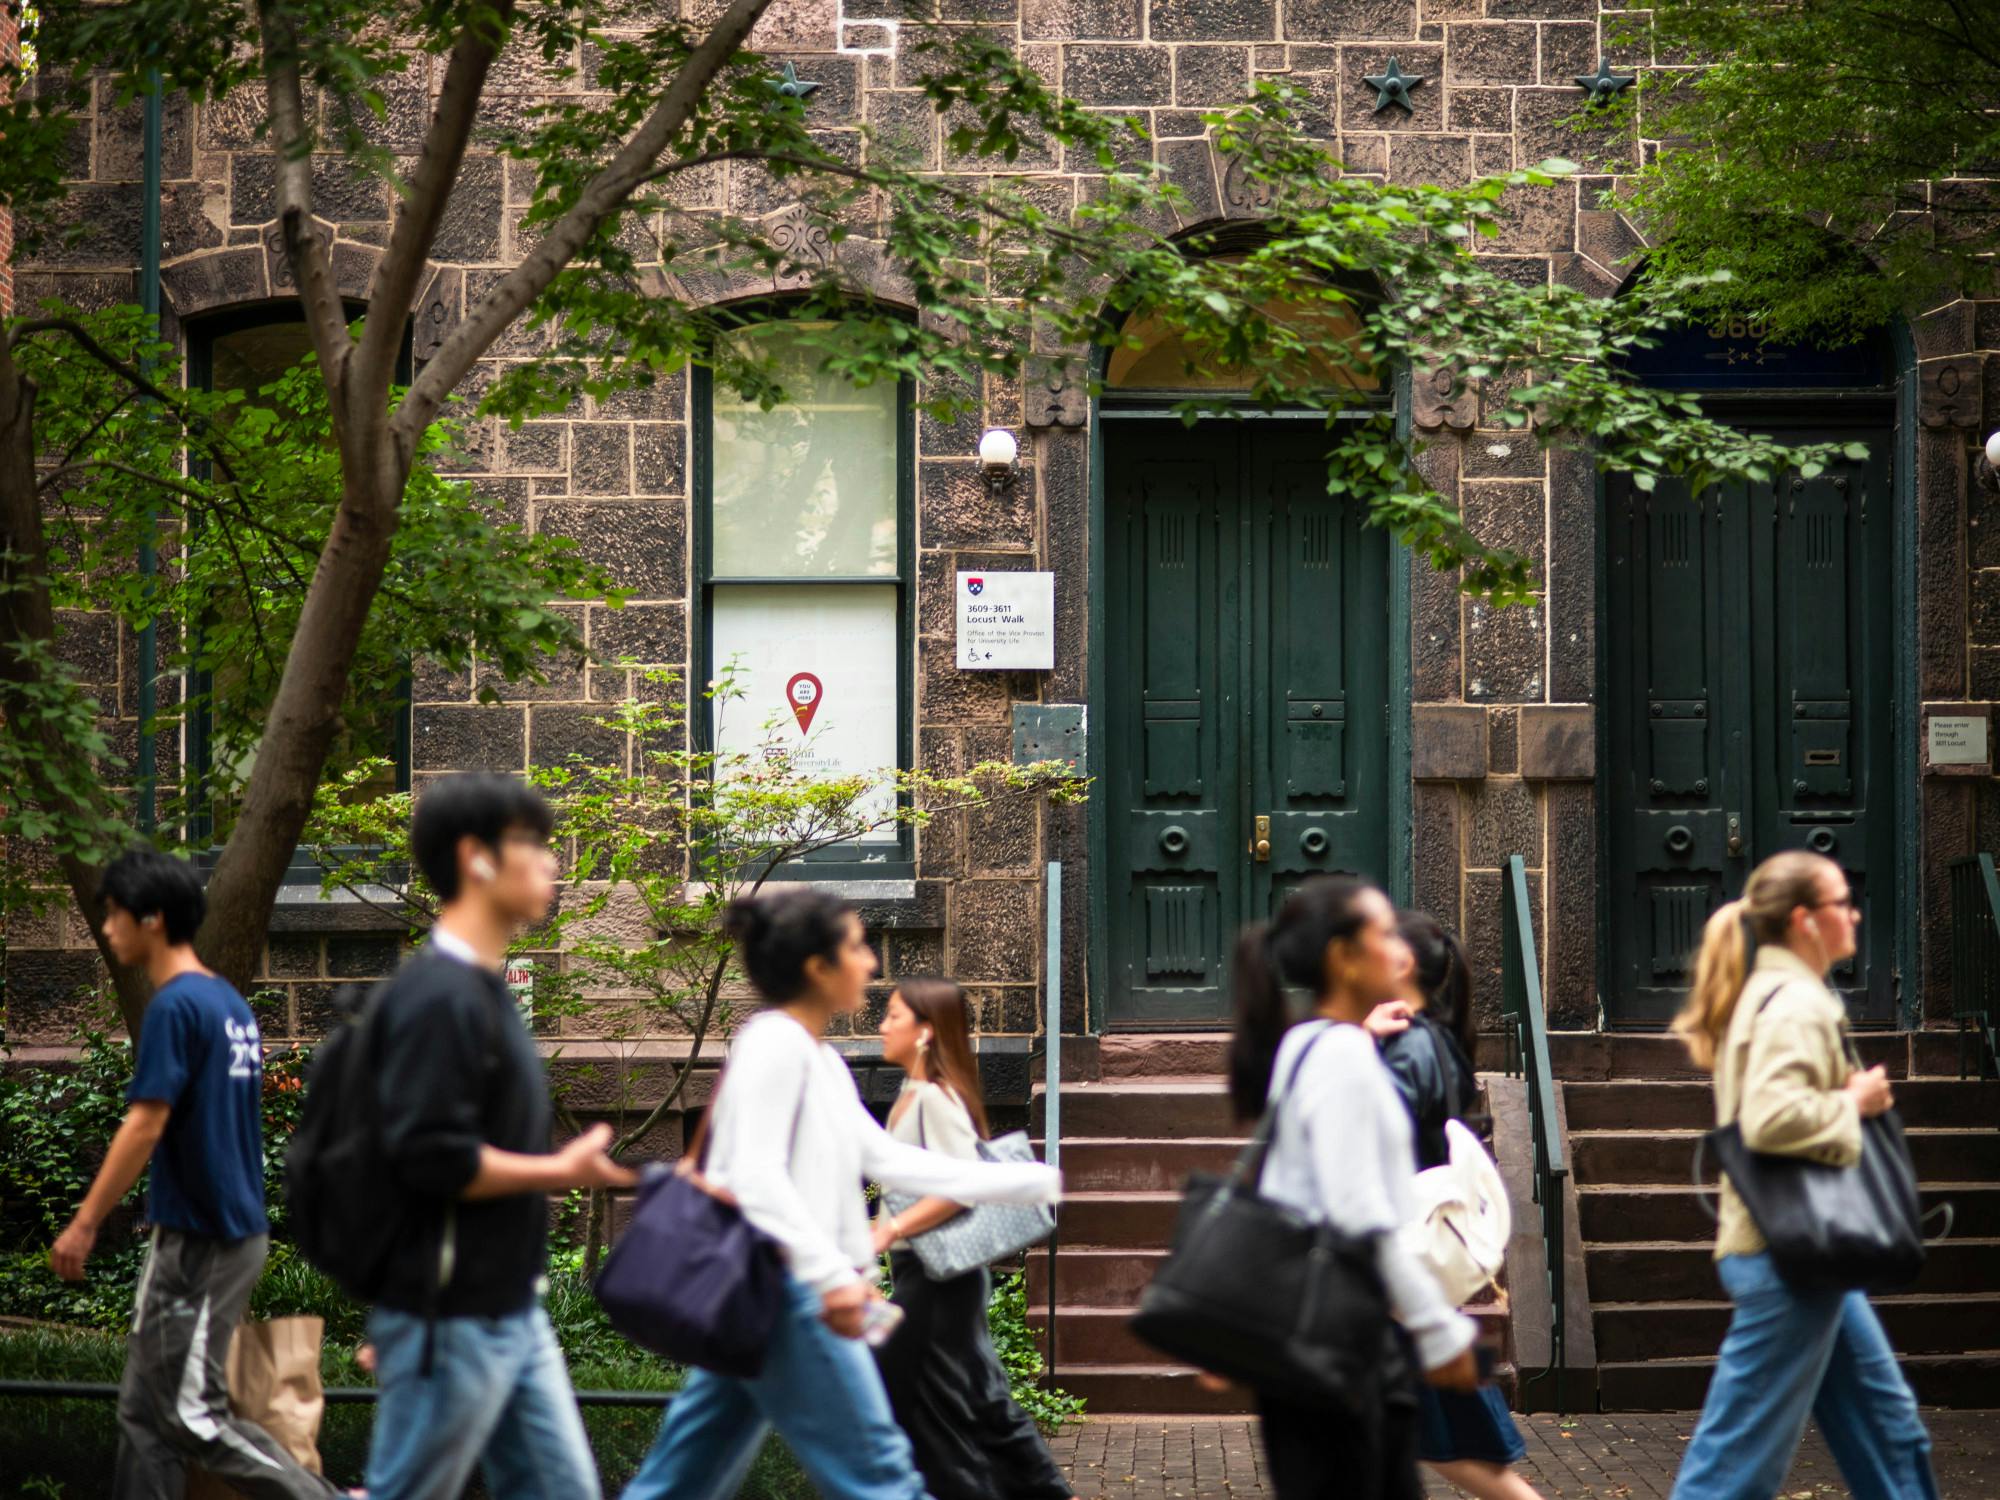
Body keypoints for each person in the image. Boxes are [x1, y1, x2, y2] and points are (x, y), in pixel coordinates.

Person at [621, 889, 1063, 1500]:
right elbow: (756, 1177)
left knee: (681, 1479)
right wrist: (834, 1275)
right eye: (855, 947)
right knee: (883, 1480)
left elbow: (883, 1159)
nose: (871, 965)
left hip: (769, 1291)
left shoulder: (818, 1059)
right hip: (794, 1294)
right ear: (817, 967)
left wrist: (1026, 1181)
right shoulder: (774, 1044)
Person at [361, 773, 635, 1500]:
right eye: (533, 845)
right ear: (477, 859)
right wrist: (559, 1170)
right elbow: (428, 1157)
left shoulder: (484, 991)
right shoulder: (438, 999)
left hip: (506, 1307)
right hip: (453, 1316)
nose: (553, 863)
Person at [49, 847, 344, 1500]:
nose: (106, 929)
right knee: (142, 1413)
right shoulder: (227, 1005)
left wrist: (85, 1223)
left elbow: (145, 1124)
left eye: (115, 915)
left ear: (152, 918)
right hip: (208, 1233)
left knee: (189, 1415)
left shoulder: (175, 1008)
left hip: (204, 1240)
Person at [1669, 851, 1938, 1500]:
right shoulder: (1795, 1002)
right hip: (1787, 1256)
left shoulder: (1777, 993)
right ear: (1804, 921)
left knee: (1892, 1431)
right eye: (1841, 902)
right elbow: (1768, 1119)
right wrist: (1855, 1103)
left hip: (1808, 1252)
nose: (1854, 913)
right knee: (1732, 1472)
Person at [1226, 875, 1480, 1500]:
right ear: (1343, 956)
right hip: (1340, 1349)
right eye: (1385, 932)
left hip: (1317, 1344)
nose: (1402, 949)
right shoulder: (1342, 1056)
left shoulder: (1311, 1043)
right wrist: (1438, 1330)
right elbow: (1360, 1212)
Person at [869, 979, 1075, 1500]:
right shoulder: (915, 1094)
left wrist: (891, 1228)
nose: (881, 1025)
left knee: (932, 1419)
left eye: (893, 1016)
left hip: (938, 1280)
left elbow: (962, 1189)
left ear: (925, 1033)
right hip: (936, 1277)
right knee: (982, 1404)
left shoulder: (934, 1101)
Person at [1380, 913, 1540, 1500]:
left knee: (1442, 1445)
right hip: (1406, 1271)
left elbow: (1372, 1137)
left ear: (1401, 965)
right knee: (1440, 1446)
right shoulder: (1436, 1041)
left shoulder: (1407, 1047)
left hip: (1390, 1272)